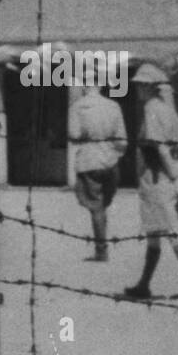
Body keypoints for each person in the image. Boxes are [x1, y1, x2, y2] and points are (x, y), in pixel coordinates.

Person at [123, 63, 178, 300]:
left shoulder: (152, 108)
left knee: (169, 230)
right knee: (156, 232)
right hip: (165, 176)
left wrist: (173, 175)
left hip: (158, 177)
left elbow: (159, 146)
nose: (137, 89)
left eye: (140, 85)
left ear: (149, 87)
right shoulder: (169, 110)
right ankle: (143, 284)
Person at [68, 81, 127, 262]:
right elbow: (122, 139)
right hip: (109, 160)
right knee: (104, 204)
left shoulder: (78, 107)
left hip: (89, 159)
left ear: (85, 86)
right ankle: (102, 243)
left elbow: (74, 134)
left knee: (96, 207)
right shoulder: (113, 106)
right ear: (101, 86)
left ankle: (101, 250)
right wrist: (114, 154)